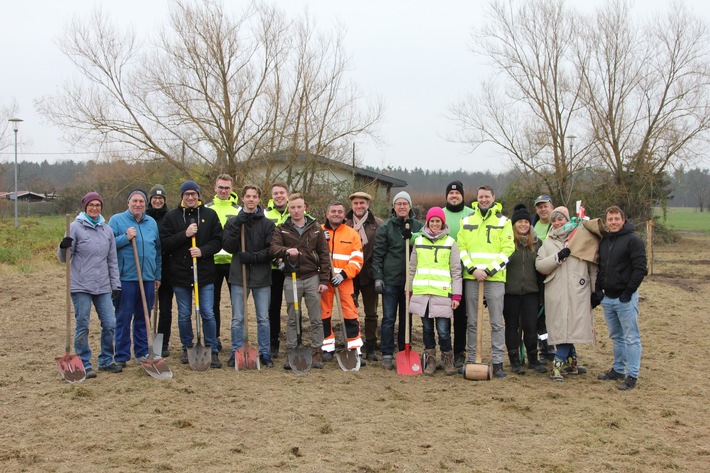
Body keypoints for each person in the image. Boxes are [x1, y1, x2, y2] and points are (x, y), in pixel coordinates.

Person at [58, 192, 123, 378]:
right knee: (83, 324)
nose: (94, 208)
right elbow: (64, 259)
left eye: (98, 205)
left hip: (102, 285)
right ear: (85, 207)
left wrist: (115, 284)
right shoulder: (75, 228)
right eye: (91, 205)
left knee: (110, 324)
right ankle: (84, 362)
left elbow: (112, 260)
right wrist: (63, 246)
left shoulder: (107, 230)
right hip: (80, 285)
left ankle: (106, 360)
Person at [160, 180, 223, 368]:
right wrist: (185, 235)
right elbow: (165, 243)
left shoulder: (209, 215)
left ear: (198, 196)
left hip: (204, 274)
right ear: (181, 196)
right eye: (186, 194)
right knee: (184, 314)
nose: (190, 197)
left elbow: (218, 240)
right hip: (180, 275)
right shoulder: (172, 217)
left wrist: (202, 251)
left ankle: (212, 349)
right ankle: (188, 347)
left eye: (193, 194)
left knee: (207, 313)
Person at [458, 185, 514, 378]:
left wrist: (489, 270)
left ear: (493, 197)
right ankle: (473, 358)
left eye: (487, 197)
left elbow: (507, 249)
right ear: (477, 198)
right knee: (472, 321)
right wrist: (473, 269)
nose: (483, 200)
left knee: (497, 322)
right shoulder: (466, 221)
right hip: (472, 278)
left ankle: (498, 362)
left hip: (495, 278)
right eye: (480, 196)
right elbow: (461, 248)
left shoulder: (504, 221)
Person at [535, 206, 596, 381]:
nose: (557, 222)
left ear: (567, 219)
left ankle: (565, 361)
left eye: (560, 219)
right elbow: (540, 266)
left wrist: (594, 291)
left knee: (572, 326)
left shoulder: (580, 237)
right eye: (554, 220)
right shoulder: (548, 242)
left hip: (578, 291)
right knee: (563, 327)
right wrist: (558, 256)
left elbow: (592, 265)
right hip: (556, 291)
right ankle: (565, 361)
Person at [270, 193, 330, 370]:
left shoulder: (316, 228)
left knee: (316, 318)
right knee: (292, 318)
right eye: (292, 207)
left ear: (305, 207)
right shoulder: (281, 228)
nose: (296, 210)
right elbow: (273, 249)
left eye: (299, 207)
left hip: (312, 277)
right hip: (292, 278)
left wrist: (324, 279)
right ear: (289, 209)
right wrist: (288, 251)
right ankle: (292, 350)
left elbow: (324, 255)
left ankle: (316, 352)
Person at [595, 206, 648, 390]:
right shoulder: (605, 241)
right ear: (606, 221)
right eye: (610, 219)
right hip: (608, 298)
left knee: (631, 337)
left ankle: (632, 375)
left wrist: (628, 292)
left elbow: (640, 268)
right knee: (616, 336)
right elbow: (600, 268)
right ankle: (617, 369)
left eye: (617, 218)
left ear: (623, 220)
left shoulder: (633, 240)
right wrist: (598, 290)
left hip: (625, 298)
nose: (613, 222)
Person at [222, 185, 275, 368]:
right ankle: (236, 351)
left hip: (262, 278)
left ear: (259, 199)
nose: (251, 200)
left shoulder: (268, 224)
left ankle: (265, 353)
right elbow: (228, 246)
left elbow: (270, 251)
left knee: (263, 318)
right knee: (237, 318)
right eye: (248, 196)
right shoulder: (233, 222)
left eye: (254, 196)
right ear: (242, 199)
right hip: (239, 276)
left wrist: (251, 257)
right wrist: (238, 223)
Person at [108, 189, 162, 368]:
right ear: (128, 203)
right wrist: (125, 237)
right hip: (126, 277)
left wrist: (157, 274)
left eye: (141, 201)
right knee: (123, 316)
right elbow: (107, 245)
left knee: (143, 316)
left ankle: (141, 352)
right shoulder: (117, 220)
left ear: (145, 205)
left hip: (147, 277)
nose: (138, 204)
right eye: (135, 201)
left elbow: (157, 251)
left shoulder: (151, 222)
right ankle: (121, 355)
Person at [372, 191, 424, 370]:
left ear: (410, 206)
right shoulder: (386, 228)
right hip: (391, 281)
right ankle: (387, 353)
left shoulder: (418, 226)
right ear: (394, 207)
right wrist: (378, 277)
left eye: (405, 203)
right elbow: (377, 254)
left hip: (410, 281)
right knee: (388, 318)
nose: (402, 206)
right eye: (398, 204)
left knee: (406, 319)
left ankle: (404, 350)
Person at [408, 207, 462, 376]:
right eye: (432, 221)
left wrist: (457, 295)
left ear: (443, 223)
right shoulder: (419, 242)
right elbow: (411, 268)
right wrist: (408, 289)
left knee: (444, 330)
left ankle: (447, 360)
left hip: (442, 294)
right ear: (428, 222)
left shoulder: (450, 243)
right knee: (426, 329)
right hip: (423, 293)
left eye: (438, 221)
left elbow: (456, 271)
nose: (435, 224)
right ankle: (431, 359)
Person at [503, 204, 547, 375]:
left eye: (526, 222)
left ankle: (533, 359)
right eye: (519, 221)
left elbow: (541, 270)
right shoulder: (506, 244)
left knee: (530, 326)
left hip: (531, 293)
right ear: (514, 225)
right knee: (512, 327)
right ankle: (515, 360)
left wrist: (541, 294)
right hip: (510, 293)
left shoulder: (537, 244)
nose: (523, 224)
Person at [321, 201, 364, 363]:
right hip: (324, 280)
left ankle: (354, 348)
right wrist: (319, 239)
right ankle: (327, 347)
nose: (336, 214)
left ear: (344, 215)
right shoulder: (319, 231)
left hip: (344, 281)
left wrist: (344, 274)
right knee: (323, 313)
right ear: (327, 214)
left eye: (340, 212)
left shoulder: (352, 234)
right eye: (333, 211)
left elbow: (357, 259)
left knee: (350, 313)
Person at [344, 191, 382, 361]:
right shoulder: (345, 224)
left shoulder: (378, 224)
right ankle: (353, 343)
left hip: (369, 273)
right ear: (352, 205)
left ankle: (371, 345)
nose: (359, 206)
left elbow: (380, 250)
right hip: (349, 274)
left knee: (371, 312)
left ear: (368, 205)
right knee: (350, 311)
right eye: (356, 203)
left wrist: (378, 273)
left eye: (362, 203)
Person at [205, 174, 241, 352]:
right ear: (215, 188)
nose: (224, 191)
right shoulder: (206, 209)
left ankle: (237, 339)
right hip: (212, 262)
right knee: (213, 303)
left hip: (233, 262)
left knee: (236, 303)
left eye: (227, 188)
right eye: (221, 187)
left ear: (232, 189)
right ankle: (215, 338)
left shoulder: (238, 210)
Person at [442, 180, 474, 368]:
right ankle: (445, 352)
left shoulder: (471, 215)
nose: (454, 196)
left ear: (462, 195)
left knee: (462, 317)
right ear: (447, 196)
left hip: (466, 275)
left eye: (457, 194)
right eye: (451, 194)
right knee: (443, 316)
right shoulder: (439, 215)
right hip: (443, 276)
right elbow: (423, 235)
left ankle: (459, 352)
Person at [146, 184, 173, 357]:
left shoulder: (170, 217)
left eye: (160, 198)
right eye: (155, 198)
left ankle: (163, 343)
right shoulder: (144, 216)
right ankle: (145, 342)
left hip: (167, 269)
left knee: (165, 308)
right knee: (146, 307)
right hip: (147, 268)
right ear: (150, 200)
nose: (157, 201)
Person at [264, 182, 290, 358]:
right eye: (276, 193)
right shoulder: (265, 214)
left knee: (293, 306)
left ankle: (294, 341)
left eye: (282, 192)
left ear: (287, 194)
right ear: (271, 195)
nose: (279, 196)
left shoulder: (297, 212)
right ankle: (273, 342)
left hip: (292, 268)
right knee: (272, 307)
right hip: (272, 267)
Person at [532, 194, 555, 360]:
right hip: (535, 276)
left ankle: (556, 349)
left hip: (553, 275)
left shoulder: (556, 226)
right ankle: (544, 350)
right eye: (539, 207)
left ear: (551, 207)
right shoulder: (532, 226)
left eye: (545, 206)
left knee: (553, 314)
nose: (542, 209)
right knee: (540, 316)